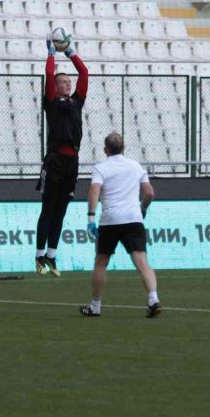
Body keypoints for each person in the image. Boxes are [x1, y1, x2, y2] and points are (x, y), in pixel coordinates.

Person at [82, 132, 161, 318]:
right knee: (142, 261)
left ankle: (95, 306)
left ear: (105, 149)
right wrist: (143, 209)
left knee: (101, 262)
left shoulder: (101, 168)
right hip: (133, 218)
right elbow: (149, 193)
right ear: (123, 147)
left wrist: (91, 218)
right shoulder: (135, 166)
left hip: (110, 219)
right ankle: (153, 298)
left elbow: (94, 190)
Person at [35, 33, 89, 277]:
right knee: (48, 208)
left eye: (69, 81)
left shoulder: (76, 102)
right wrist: (51, 55)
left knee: (62, 210)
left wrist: (71, 53)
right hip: (55, 160)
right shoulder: (52, 102)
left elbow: (85, 73)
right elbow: (48, 75)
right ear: (55, 87)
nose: (69, 84)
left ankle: (52, 256)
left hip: (72, 162)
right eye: (64, 82)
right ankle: (38, 256)